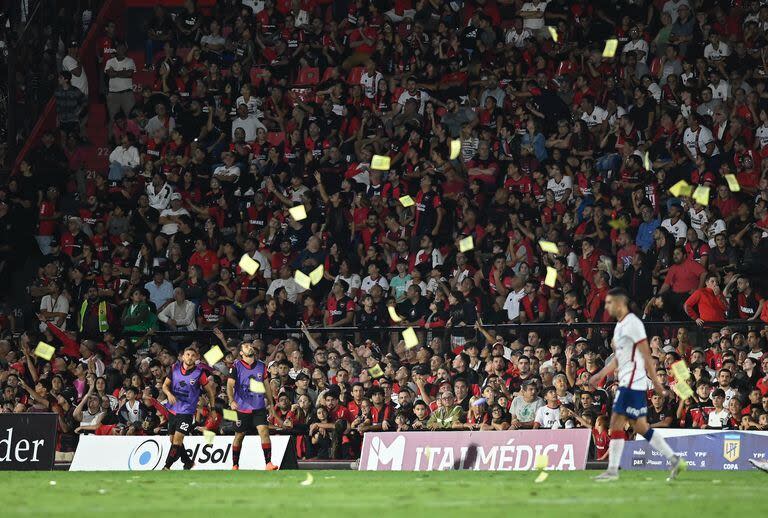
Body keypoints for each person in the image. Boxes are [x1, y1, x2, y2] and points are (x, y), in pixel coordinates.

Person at [590, 288, 684, 482]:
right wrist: (599, 374)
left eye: (609, 302)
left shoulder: (633, 324)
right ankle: (674, 459)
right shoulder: (619, 326)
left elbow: (646, 355)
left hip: (633, 382)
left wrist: (657, 385)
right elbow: (618, 359)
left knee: (616, 423)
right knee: (641, 427)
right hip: (628, 380)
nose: (607, 306)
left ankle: (613, 471)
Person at [227, 339, 278, 470]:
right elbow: (229, 385)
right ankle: (235, 464)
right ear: (241, 353)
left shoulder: (261, 366)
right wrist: (231, 400)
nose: (250, 347)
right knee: (239, 436)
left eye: (250, 345)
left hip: (258, 407)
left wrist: (271, 404)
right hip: (241, 407)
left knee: (264, 432)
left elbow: (266, 386)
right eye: (246, 346)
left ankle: (268, 463)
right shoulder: (236, 366)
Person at [162, 346, 216, 470]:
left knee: (177, 440)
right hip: (172, 409)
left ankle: (167, 466)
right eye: (187, 354)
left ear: (196, 357)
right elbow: (165, 385)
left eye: (192, 355)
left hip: (187, 411)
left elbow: (210, 392)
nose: (190, 357)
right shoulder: (174, 368)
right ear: (182, 356)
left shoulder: (199, 373)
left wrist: (212, 409)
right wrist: (169, 394)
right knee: (173, 440)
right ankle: (188, 462)